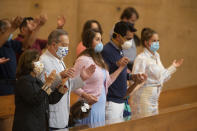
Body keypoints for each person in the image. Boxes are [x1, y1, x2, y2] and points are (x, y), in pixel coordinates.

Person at [39, 29, 97, 130]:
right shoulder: (43, 61)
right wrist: (59, 76)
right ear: (53, 45)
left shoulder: (60, 61)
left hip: (63, 117)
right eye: (64, 45)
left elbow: (66, 87)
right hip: (51, 119)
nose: (66, 48)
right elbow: (44, 89)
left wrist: (81, 78)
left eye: (68, 45)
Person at [73, 29, 129, 127]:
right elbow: (72, 84)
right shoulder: (82, 60)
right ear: (89, 41)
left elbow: (107, 82)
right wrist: (85, 95)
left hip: (101, 107)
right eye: (97, 39)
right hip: (88, 106)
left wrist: (121, 68)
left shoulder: (100, 60)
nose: (101, 43)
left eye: (101, 40)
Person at [130, 28, 184, 119]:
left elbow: (162, 77)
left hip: (155, 97)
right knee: (145, 123)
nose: (157, 43)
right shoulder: (141, 58)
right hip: (144, 96)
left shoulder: (157, 56)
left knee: (155, 124)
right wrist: (132, 98)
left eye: (157, 40)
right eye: (154, 41)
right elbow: (134, 80)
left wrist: (173, 67)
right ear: (146, 42)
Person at [101, 21, 146, 123]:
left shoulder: (119, 50)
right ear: (117, 36)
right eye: (128, 39)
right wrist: (117, 65)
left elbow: (120, 74)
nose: (130, 42)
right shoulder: (107, 51)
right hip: (111, 101)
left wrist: (132, 77)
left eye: (132, 39)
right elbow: (104, 76)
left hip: (121, 100)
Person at [12, 49, 66, 131]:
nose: (40, 63)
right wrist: (47, 83)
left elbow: (50, 98)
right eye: (37, 60)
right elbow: (35, 100)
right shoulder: (23, 81)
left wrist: (61, 86)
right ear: (29, 63)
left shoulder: (38, 81)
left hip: (40, 125)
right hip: (27, 126)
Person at [0, 16, 40, 95]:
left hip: (12, 83)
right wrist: (13, 27)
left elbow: (25, 46)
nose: (11, 32)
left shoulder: (10, 42)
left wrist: (29, 32)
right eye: (9, 29)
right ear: (1, 31)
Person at [110, 7, 140, 71]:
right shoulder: (117, 29)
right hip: (124, 64)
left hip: (130, 64)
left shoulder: (129, 30)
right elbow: (116, 48)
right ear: (125, 18)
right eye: (132, 20)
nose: (133, 23)